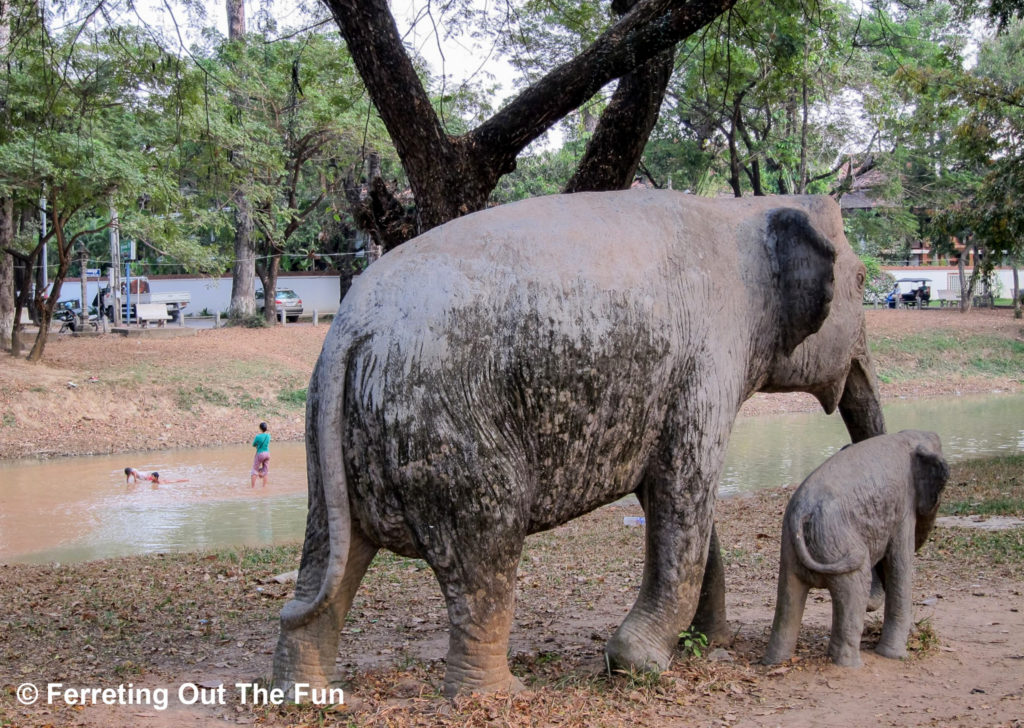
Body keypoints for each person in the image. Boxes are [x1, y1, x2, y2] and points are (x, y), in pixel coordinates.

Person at [251, 421, 270, 487]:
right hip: (267, 454)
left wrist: (257, 445)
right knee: (265, 471)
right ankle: (264, 487)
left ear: (260, 428)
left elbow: (253, 445)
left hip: (260, 454)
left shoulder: (258, 437)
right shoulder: (268, 436)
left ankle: (253, 488)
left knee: (254, 470)